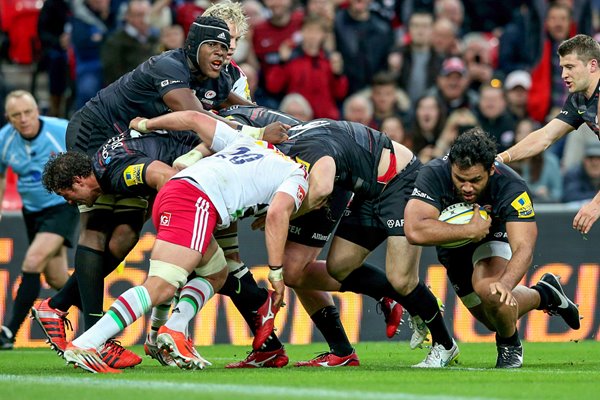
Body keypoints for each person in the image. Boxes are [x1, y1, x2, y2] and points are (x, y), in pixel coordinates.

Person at [31, 16, 280, 367]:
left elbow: (241, 110)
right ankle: (92, 335)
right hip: (97, 136)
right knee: (98, 227)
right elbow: (200, 120)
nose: (226, 52)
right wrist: (258, 136)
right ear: (196, 43)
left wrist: (285, 125)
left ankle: (60, 308)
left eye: (231, 45)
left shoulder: (220, 76)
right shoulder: (170, 66)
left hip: (139, 144)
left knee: (125, 236)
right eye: (219, 44)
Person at [139, 106, 404, 368]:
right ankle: (295, 348)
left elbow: (195, 131)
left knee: (284, 269)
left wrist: (152, 130)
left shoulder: (229, 124)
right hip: (290, 179)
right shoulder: (231, 115)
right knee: (268, 268)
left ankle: (391, 293)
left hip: (312, 183)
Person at [55, 112, 310, 373]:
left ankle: (171, 330)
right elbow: (279, 213)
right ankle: (88, 343)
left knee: (216, 274)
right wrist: (276, 273)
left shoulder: (244, 142)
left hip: (177, 193)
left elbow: (193, 117)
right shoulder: (298, 173)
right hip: (195, 201)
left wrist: (146, 124)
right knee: (161, 286)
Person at [404, 128, 581, 368]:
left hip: (493, 236)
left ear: (491, 170)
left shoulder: (511, 185)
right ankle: (546, 294)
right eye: (460, 179)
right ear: (451, 168)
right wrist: (469, 230)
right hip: (453, 247)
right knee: (492, 319)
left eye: (475, 180)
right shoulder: (434, 173)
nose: (467, 187)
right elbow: (414, 231)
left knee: (492, 292)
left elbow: (524, 247)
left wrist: (506, 283)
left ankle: (509, 346)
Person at [497, 34, 600, 235]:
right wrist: (501, 159)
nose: (563, 75)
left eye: (570, 67)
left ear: (592, 65)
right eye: (562, 68)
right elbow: (544, 137)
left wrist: (596, 203)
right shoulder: (579, 99)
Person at [0, 91, 79, 349]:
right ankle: (103, 320)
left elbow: (85, 160)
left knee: (32, 261)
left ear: (37, 110)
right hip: (31, 212)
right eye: (16, 115)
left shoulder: (60, 130)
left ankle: (8, 333)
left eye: (27, 112)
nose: (23, 119)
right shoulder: (4, 140)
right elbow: (1, 177)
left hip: (62, 206)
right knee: (56, 278)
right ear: (8, 118)